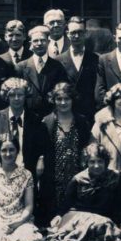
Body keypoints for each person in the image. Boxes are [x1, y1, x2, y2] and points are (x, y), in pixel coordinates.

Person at [45, 143, 121, 241]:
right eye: (92, 162)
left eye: (100, 161)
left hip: (102, 218)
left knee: (103, 225)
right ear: (86, 162)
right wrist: (58, 216)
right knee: (100, 224)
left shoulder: (115, 177)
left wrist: (120, 224)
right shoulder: (78, 179)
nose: (96, 166)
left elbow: (119, 204)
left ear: (106, 162)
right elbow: (66, 204)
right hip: (78, 216)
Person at [0, 135, 44, 241]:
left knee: (29, 236)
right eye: (4, 150)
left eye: (11, 150)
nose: (8, 154)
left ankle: (8, 240)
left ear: (17, 151)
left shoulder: (26, 174)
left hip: (20, 221)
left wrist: (17, 223)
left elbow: (29, 205)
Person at [39, 82, 91, 225]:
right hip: (54, 175)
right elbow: (41, 147)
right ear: (53, 100)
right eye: (59, 99)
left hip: (76, 173)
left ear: (72, 100)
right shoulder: (47, 122)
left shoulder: (81, 121)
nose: (63, 103)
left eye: (67, 99)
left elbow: (87, 146)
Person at [0, 78, 47, 184]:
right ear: (6, 96)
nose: (16, 98)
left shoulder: (35, 120)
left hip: (27, 173)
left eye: (20, 95)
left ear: (25, 96)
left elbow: (43, 146)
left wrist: (41, 159)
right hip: (2, 175)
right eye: (12, 95)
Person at [16, 25, 68, 117]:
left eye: (42, 40)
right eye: (35, 41)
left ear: (48, 42)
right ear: (31, 43)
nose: (39, 43)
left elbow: (62, 93)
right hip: (28, 118)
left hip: (51, 117)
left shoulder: (58, 67)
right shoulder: (20, 67)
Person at [55, 16, 100, 119]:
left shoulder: (96, 59)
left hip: (90, 115)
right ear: (67, 34)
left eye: (80, 32)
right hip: (67, 114)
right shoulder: (58, 61)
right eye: (73, 32)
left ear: (86, 33)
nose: (76, 36)